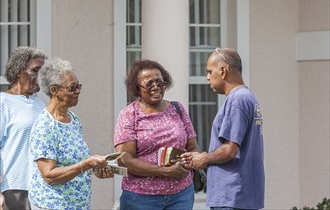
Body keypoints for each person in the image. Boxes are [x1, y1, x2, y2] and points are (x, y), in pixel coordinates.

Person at [182, 48, 265, 210]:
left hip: (231, 196)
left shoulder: (237, 100)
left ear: (223, 71)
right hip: (242, 196)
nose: (207, 77)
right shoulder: (247, 97)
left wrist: (203, 159)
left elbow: (229, 150)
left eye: (209, 71)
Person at [114, 59, 200, 210]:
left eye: (159, 82)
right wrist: (166, 172)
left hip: (181, 194)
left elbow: (193, 147)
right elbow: (124, 160)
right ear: (137, 88)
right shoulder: (129, 114)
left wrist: (187, 161)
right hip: (141, 198)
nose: (156, 87)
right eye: (149, 83)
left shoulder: (177, 109)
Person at [29, 58, 114, 209]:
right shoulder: (45, 126)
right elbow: (49, 175)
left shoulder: (73, 119)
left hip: (78, 205)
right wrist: (86, 164)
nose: (78, 91)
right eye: (72, 87)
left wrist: (95, 168)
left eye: (78, 86)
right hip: (54, 205)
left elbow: (74, 162)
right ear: (54, 91)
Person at [0, 46, 47, 210]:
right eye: (36, 70)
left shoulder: (41, 104)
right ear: (19, 71)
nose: (40, 76)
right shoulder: (3, 102)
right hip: (15, 187)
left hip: (42, 187)